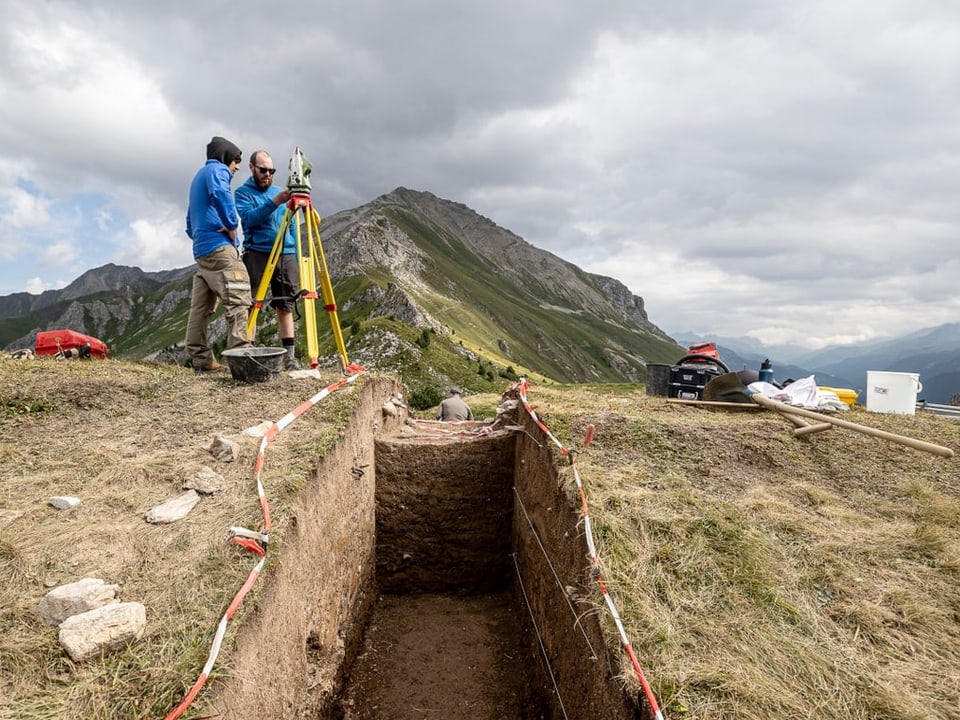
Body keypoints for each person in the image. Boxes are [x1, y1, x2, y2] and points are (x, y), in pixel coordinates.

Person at [184, 136, 253, 373]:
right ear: (225, 156)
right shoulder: (218, 170)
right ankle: (242, 359)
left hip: (202, 250)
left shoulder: (197, 178)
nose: (236, 167)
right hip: (220, 249)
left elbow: (189, 223)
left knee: (201, 308)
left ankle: (201, 360)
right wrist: (232, 225)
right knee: (238, 296)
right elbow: (221, 194)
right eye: (236, 161)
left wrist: (202, 237)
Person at [234, 150, 300, 370]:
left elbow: (291, 222)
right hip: (258, 252)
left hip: (285, 252)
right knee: (252, 304)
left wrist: (294, 251)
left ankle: (289, 358)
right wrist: (274, 202)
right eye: (263, 170)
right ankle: (249, 353)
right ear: (252, 167)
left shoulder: (278, 192)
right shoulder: (243, 193)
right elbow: (250, 219)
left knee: (286, 305)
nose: (268, 175)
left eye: (271, 171)